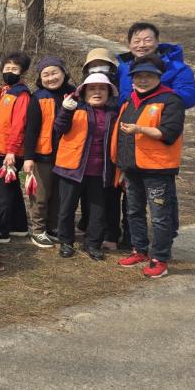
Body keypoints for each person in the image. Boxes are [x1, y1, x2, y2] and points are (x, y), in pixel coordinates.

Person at [114, 55, 185, 279]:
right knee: (133, 211)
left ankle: (160, 258)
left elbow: (169, 133)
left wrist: (140, 130)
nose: (143, 80)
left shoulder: (170, 100)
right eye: (138, 76)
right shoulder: (129, 101)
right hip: (132, 168)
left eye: (148, 76)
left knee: (159, 215)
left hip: (157, 169)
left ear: (158, 77)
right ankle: (139, 250)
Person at [53, 73, 118, 260]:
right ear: (84, 92)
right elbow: (59, 128)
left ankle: (93, 244)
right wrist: (65, 110)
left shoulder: (113, 114)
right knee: (66, 208)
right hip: (71, 169)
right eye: (92, 88)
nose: (97, 92)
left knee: (97, 211)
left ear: (108, 92)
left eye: (102, 88)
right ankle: (66, 242)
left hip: (100, 171)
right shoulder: (74, 109)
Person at [23, 56, 75, 248]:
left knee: (59, 195)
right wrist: (28, 158)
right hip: (43, 154)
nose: (51, 78)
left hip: (68, 154)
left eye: (55, 73)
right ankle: (37, 229)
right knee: (41, 195)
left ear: (64, 73)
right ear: (40, 77)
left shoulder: (74, 94)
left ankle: (53, 227)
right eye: (46, 74)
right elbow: (31, 130)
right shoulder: (38, 97)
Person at [80, 48, 125, 250]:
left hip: (112, 154)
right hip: (88, 157)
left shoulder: (118, 94)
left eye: (104, 64)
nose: (99, 68)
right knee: (89, 196)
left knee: (111, 196)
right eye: (94, 64)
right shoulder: (84, 92)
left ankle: (111, 234)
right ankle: (89, 227)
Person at [0, 52, 32, 243]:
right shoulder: (3, 90)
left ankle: (2, 230)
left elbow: (19, 124)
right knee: (13, 188)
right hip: (0, 147)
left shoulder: (21, 94)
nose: (10, 72)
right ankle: (19, 226)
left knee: (2, 191)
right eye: (7, 68)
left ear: (22, 72)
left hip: (9, 151)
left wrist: (11, 151)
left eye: (14, 69)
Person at [117, 22, 195, 109]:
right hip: (127, 119)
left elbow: (189, 98)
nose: (141, 45)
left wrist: (156, 91)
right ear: (129, 44)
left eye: (147, 40)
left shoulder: (177, 68)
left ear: (157, 42)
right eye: (136, 41)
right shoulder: (123, 68)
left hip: (161, 119)